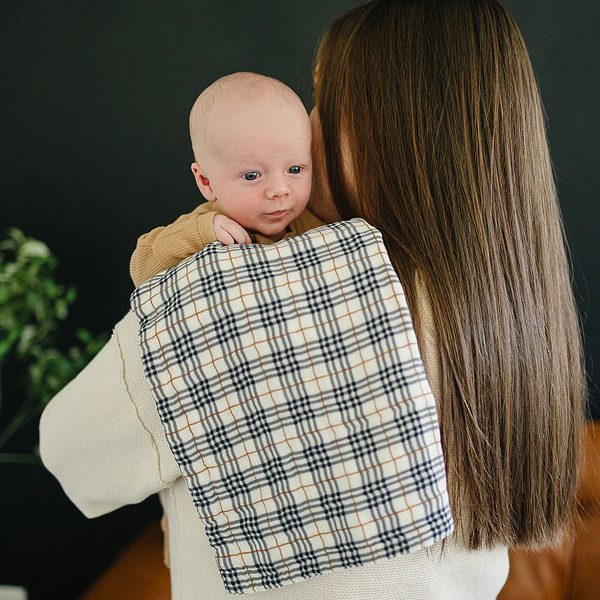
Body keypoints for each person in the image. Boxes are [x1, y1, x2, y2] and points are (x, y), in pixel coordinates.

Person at [39, 1, 586, 599]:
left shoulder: (241, 297)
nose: (301, 128)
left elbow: (71, 452)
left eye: (323, 102)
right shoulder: (518, 323)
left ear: (388, 132)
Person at [129, 72, 325, 288]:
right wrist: (203, 232)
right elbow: (141, 268)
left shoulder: (313, 224)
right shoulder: (203, 225)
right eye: (252, 175)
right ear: (206, 182)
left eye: (295, 169)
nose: (279, 190)